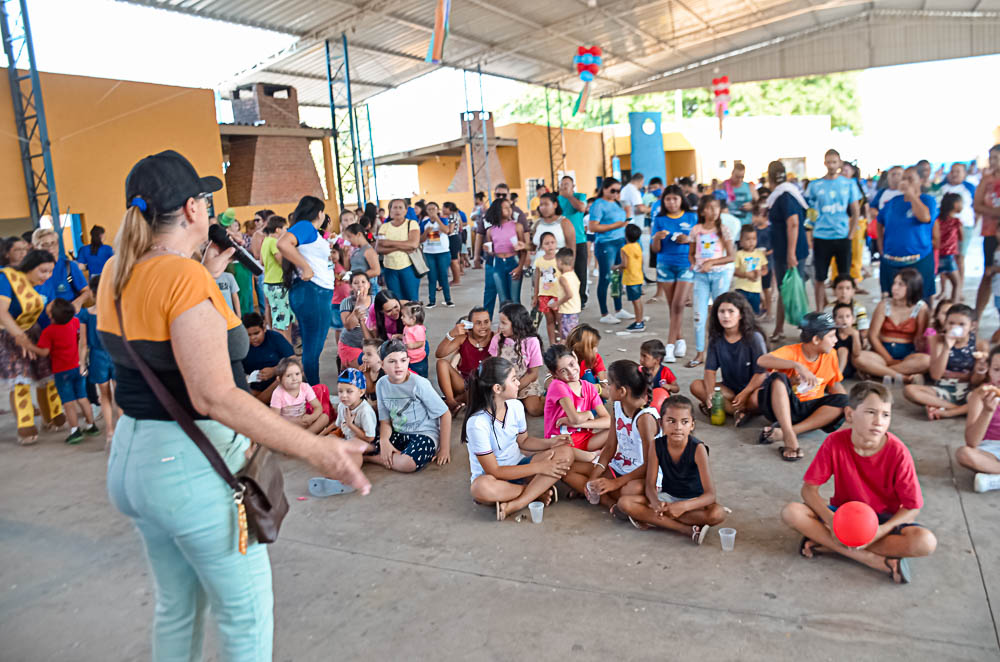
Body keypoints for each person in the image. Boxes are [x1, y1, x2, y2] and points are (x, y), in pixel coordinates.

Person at [101, 150, 368, 660]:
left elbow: (158, 341)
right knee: (244, 622)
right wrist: (317, 449)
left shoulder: (118, 268)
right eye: (204, 199)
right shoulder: (184, 281)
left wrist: (203, 270)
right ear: (192, 210)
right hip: (188, 468)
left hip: (134, 459)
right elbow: (213, 395)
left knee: (177, 609)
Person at [781, 382, 937, 584]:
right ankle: (874, 560)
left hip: (882, 522)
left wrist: (880, 531)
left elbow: (912, 507)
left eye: (885, 415)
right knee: (791, 512)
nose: (879, 421)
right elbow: (809, 490)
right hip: (843, 516)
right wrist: (831, 521)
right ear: (849, 414)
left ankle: (829, 545)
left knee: (925, 542)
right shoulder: (834, 442)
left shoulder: (898, 452)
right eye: (871, 412)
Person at [464, 356, 574, 521]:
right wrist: (540, 468)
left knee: (565, 453)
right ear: (497, 388)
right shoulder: (477, 423)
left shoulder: (515, 406)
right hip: (494, 478)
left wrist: (552, 442)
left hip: (519, 466)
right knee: (480, 489)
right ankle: (534, 492)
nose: (519, 383)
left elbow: (524, 441)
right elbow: (494, 471)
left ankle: (517, 502)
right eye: (514, 379)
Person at [616, 395, 726, 543]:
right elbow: (650, 484)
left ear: (692, 425)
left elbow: (710, 495)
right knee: (624, 503)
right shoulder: (656, 445)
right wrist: (655, 502)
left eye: (684, 422)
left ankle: (653, 518)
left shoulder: (698, 449)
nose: (678, 427)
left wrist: (683, 506)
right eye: (671, 421)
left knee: (717, 513)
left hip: (694, 502)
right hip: (667, 498)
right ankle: (686, 529)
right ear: (661, 423)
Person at [563, 360, 658, 511]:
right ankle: (610, 503)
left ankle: (607, 497)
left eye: (610, 383)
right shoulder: (618, 406)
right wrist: (595, 475)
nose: (606, 387)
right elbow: (610, 447)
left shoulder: (645, 418)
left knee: (629, 491)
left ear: (622, 391)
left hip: (641, 474)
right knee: (567, 470)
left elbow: (650, 464)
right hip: (618, 466)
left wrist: (616, 483)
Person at [757, 312, 849, 461]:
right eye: (831, 336)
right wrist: (797, 366)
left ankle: (788, 432)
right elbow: (762, 360)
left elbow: (834, 384)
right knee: (778, 378)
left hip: (812, 411)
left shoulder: (831, 354)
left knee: (845, 400)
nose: (836, 340)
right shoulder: (792, 352)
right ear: (816, 339)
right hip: (785, 408)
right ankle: (789, 436)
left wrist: (847, 407)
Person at [0, 248, 66, 443]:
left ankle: (52, 416)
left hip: (34, 331)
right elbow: (2, 312)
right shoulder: (7, 278)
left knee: (46, 375)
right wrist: (20, 338)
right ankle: (26, 424)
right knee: (21, 380)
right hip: (10, 334)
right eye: (43, 271)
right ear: (30, 267)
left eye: (50, 271)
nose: (47, 276)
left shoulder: (42, 284)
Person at [277, 196, 335, 386]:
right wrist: (305, 267)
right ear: (319, 213)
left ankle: (310, 390)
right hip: (313, 293)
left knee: (312, 347)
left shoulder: (309, 231)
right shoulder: (306, 226)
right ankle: (314, 392)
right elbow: (283, 245)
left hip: (313, 292)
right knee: (312, 349)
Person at [690, 292, 768, 427]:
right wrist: (709, 394)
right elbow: (710, 370)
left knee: (756, 400)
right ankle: (737, 411)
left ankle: (732, 408)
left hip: (753, 389)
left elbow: (761, 373)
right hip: (730, 390)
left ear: (741, 314)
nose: (726, 316)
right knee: (696, 386)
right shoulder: (716, 338)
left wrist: (745, 393)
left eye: (731, 311)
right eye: (722, 311)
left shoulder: (754, 338)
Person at [373, 338, 452, 472]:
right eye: (392, 361)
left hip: (424, 434)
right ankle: (388, 455)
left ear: (408, 361)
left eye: (403, 360)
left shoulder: (419, 383)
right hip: (398, 432)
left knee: (408, 464)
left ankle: (372, 458)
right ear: (382, 364)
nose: (398, 366)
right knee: (364, 443)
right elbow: (385, 421)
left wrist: (444, 449)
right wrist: (385, 441)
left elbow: (445, 414)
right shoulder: (381, 384)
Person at [31, 297, 100, 443]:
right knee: (82, 398)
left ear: (51, 317)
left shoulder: (49, 331)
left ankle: (75, 431)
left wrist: (28, 345)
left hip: (62, 372)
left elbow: (44, 352)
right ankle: (91, 425)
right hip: (79, 366)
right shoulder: (75, 322)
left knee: (68, 402)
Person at [902, 304, 988, 420]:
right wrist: (947, 347)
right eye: (951, 323)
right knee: (909, 390)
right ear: (945, 323)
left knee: (985, 394)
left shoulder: (979, 344)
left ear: (972, 326)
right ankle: (958, 409)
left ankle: (948, 411)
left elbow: (974, 380)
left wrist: (979, 369)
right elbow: (936, 375)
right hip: (943, 390)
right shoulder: (937, 340)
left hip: (968, 390)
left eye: (962, 324)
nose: (955, 327)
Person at [805, 149, 861, 310]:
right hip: (821, 236)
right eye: (828, 162)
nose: (831, 165)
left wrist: (850, 234)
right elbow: (810, 213)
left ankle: (846, 309)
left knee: (845, 277)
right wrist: (809, 234)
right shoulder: (815, 185)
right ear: (824, 163)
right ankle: (820, 311)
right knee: (820, 277)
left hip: (842, 236)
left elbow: (855, 210)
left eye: (834, 162)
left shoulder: (848, 184)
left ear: (840, 163)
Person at [853, 269, 931, 383]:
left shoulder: (921, 308)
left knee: (926, 361)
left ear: (913, 287)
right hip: (882, 353)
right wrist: (888, 359)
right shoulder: (884, 305)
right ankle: (903, 377)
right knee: (858, 358)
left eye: (901, 285)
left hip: (907, 355)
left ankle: (878, 374)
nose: (894, 287)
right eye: (894, 283)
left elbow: (919, 339)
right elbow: (872, 336)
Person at [687, 195, 735, 369]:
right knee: (699, 315)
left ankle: (724, 352)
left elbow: (731, 256)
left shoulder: (723, 229)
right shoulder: (696, 230)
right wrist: (694, 263)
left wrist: (712, 262)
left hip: (719, 276)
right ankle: (700, 352)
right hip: (701, 276)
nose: (713, 211)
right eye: (709, 207)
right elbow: (691, 253)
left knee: (722, 314)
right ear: (702, 210)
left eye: (716, 207)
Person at [649, 184, 696, 362]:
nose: (671, 202)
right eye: (668, 199)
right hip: (665, 265)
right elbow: (655, 249)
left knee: (678, 304)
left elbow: (699, 241)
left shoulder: (692, 216)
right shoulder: (659, 220)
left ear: (681, 199)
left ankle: (668, 346)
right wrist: (657, 238)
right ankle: (680, 340)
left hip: (686, 264)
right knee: (672, 306)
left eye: (675, 198)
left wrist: (688, 240)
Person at [877, 166, 937, 302]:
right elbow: (879, 221)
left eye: (910, 179)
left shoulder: (928, 200)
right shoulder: (892, 202)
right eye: (903, 178)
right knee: (892, 301)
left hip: (919, 260)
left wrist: (912, 196)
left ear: (920, 181)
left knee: (921, 301)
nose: (905, 182)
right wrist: (880, 245)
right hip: (891, 261)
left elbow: (925, 217)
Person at [765, 161, 810, 342]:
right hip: (783, 251)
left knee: (794, 292)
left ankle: (806, 329)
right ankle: (779, 328)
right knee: (786, 291)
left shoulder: (785, 195)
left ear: (769, 178)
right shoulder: (784, 193)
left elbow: (793, 223)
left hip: (791, 253)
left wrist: (791, 254)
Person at [542, 344, 610, 451]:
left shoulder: (588, 387)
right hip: (562, 443)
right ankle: (593, 457)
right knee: (575, 458)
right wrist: (588, 414)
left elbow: (608, 421)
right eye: (563, 371)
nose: (571, 372)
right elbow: (575, 418)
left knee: (615, 431)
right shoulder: (557, 386)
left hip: (585, 440)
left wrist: (580, 424)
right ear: (554, 374)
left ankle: (594, 457)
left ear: (575, 356)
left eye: (572, 364)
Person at [78, 274, 117, 446]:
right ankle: (123, 430)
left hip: (97, 358)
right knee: (120, 395)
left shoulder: (86, 314)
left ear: (93, 293)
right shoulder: (117, 310)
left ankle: (109, 431)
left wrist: (81, 363)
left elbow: (84, 343)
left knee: (105, 397)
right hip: (117, 355)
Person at [488, 303, 545, 416]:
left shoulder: (532, 342)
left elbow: (533, 374)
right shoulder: (497, 339)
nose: (500, 326)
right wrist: (504, 389)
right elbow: (493, 368)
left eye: (504, 323)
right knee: (493, 410)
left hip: (525, 383)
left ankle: (550, 397)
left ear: (516, 324)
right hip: (502, 385)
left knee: (534, 410)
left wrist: (515, 387)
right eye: (500, 322)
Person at [435, 306, 493, 414]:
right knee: (441, 363)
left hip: (485, 388)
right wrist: (451, 334)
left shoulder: (495, 338)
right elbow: (439, 354)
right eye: (478, 323)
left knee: (480, 390)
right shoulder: (463, 338)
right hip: (464, 383)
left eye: (486, 322)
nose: (483, 326)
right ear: (470, 324)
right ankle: (452, 402)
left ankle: (457, 401)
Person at [957, 348, 1000, 493]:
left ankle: (993, 480)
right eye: (997, 369)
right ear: (989, 370)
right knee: (964, 453)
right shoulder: (980, 395)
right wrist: (987, 412)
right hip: (988, 450)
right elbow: (972, 442)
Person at [589, 177, 631, 325]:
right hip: (606, 244)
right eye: (612, 190)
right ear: (604, 188)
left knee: (616, 277)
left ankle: (618, 309)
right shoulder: (598, 204)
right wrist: (616, 225)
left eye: (618, 191)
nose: (615, 193)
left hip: (620, 242)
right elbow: (593, 227)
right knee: (605, 278)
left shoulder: (617, 203)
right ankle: (604, 312)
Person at [483, 196, 527, 314]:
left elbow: (523, 250)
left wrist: (520, 267)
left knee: (515, 299)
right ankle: (506, 328)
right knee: (503, 300)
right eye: (505, 208)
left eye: (509, 207)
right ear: (498, 210)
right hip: (497, 264)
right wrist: (488, 250)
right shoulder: (491, 230)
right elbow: (492, 251)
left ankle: (518, 328)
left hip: (513, 261)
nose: (509, 210)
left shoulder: (517, 226)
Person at [32, 227, 91, 313]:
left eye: (53, 243)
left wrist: (77, 302)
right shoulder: (31, 270)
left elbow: (86, 291)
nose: (50, 248)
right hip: (42, 322)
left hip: (67, 320)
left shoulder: (68, 266)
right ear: (35, 247)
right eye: (45, 244)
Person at [242, 312, 294, 403]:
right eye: (248, 335)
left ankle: (259, 403)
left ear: (264, 328)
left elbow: (294, 360)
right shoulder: (241, 344)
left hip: (277, 382)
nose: (253, 338)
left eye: (256, 333)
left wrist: (275, 370)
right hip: (255, 386)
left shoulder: (275, 337)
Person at [375, 199, 421, 303]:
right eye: (394, 207)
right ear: (390, 210)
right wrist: (403, 246)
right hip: (389, 269)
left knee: (412, 300)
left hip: (408, 267)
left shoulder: (411, 224)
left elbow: (413, 244)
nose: (397, 210)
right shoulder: (384, 226)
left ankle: (414, 319)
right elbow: (379, 248)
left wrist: (388, 243)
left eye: (400, 207)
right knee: (396, 301)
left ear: (405, 210)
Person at [269, 356, 330, 434]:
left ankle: (305, 436)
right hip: (286, 426)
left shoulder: (305, 387)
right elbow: (275, 418)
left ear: (302, 374)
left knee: (324, 418)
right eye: (288, 375)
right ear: (279, 380)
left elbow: (318, 407)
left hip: (304, 422)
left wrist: (311, 417)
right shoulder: (278, 393)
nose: (294, 378)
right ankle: (304, 437)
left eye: (297, 374)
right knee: (273, 430)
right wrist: (293, 422)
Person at [974, 146, 1000, 318]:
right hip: (991, 232)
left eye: (996, 157)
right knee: (988, 273)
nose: (992, 161)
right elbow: (977, 205)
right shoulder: (986, 181)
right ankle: (977, 315)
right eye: (991, 157)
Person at [323, 368, 377, 446]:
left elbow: (370, 438)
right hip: (347, 436)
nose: (343, 396)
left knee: (346, 447)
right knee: (326, 440)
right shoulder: (342, 405)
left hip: (363, 441)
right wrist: (320, 435)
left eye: (349, 391)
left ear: (361, 392)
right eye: (340, 391)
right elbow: (337, 424)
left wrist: (350, 425)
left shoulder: (365, 411)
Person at [557, 176, 590, 306]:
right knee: (564, 270)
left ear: (573, 186)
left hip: (579, 240)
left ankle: (581, 300)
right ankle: (567, 297)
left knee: (580, 271)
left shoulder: (579, 196)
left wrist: (570, 196)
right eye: (562, 184)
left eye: (567, 184)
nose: (564, 186)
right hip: (562, 241)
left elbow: (581, 208)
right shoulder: (557, 200)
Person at [259, 215, 292, 340]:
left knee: (283, 318)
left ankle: (288, 346)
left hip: (269, 282)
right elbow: (281, 261)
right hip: (277, 284)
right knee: (281, 319)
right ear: (278, 230)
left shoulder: (265, 241)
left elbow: (262, 262)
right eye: (285, 228)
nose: (286, 231)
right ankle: (284, 350)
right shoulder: (274, 242)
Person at [419, 202, 454, 308]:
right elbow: (421, 239)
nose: (431, 211)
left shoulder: (443, 219)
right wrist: (426, 232)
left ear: (438, 210)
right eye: (429, 209)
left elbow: (447, 230)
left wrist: (437, 219)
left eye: (433, 209)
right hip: (429, 253)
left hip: (443, 252)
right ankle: (432, 301)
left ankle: (448, 299)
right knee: (432, 277)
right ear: (426, 211)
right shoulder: (424, 222)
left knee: (443, 276)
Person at [337, 271, 373, 368]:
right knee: (365, 368)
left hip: (371, 345)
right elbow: (349, 326)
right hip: (350, 345)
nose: (360, 286)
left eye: (363, 282)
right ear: (351, 286)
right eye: (356, 283)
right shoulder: (347, 302)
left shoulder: (375, 300)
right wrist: (358, 304)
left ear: (369, 284)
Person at [532, 232, 562, 345]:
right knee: (549, 320)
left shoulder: (560, 259)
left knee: (560, 320)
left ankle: (561, 343)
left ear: (556, 244)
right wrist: (535, 296)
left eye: (552, 242)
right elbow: (537, 279)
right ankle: (552, 343)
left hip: (558, 295)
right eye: (546, 243)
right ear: (541, 246)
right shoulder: (539, 261)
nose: (550, 245)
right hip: (544, 295)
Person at [731, 225, 768, 315]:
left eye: (754, 239)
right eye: (748, 239)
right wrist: (746, 275)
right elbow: (734, 271)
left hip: (756, 290)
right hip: (741, 289)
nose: (751, 242)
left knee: (754, 313)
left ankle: (752, 328)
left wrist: (759, 273)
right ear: (741, 241)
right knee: (741, 313)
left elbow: (765, 269)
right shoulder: (739, 254)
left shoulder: (759, 254)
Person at [934, 193, 964, 303]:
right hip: (949, 256)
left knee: (931, 284)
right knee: (956, 283)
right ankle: (954, 306)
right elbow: (962, 237)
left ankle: (930, 308)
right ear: (956, 205)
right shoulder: (956, 222)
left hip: (936, 255)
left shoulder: (937, 220)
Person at [615, 224, 645, 331]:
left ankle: (638, 322)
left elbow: (624, 265)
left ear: (626, 236)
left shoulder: (625, 249)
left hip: (631, 279)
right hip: (638, 277)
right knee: (638, 300)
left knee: (635, 301)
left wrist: (615, 267)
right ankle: (640, 319)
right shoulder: (637, 246)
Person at [824, 275, 869, 344]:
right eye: (840, 288)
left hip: (854, 342)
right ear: (834, 290)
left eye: (848, 288)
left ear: (853, 291)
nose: (844, 292)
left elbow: (863, 331)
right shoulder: (828, 309)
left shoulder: (859, 309)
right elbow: (825, 330)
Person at [638, 339, 678, 412]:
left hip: (662, 404)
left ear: (657, 360)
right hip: (644, 405)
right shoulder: (640, 371)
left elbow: (676, 388)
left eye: (644, 356)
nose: (641, 359)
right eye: (641, 355)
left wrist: (669, 387)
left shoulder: (665, 372)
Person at [565, 323, 607, 387]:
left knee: (588, 376)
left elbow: (604, 384)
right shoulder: (563, 361)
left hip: (591, 393)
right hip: (570, 393)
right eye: (593, 347)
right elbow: (548, 383)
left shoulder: (595, 358)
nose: (596, 350)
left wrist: (598, 388)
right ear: (579, 348)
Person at [344, 222, 380, 295]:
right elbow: (348, 269)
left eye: (350, 236)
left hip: (368, 288)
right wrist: (345, 255)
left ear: (359, 234)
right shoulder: (356, 250)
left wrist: (357, 277)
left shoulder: (369, 250)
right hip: (357, 287)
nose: (348, 240)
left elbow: (376, 271)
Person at [553, 247, 581, 340]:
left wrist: (557, 303)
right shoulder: (573, 274)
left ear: (560, 262)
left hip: (567, 311)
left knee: (566, 337)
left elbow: (569, 294)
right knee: (572, 334)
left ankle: (567, 352)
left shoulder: (563, 278)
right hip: (575, 309)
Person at [832, 302, 862, 380]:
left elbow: (857, 354)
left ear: (853, 319)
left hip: (850, 367)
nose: (844, 320)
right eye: (840, 317)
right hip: (835, 365)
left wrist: (855, 336)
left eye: (848, 316)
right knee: (843, 350)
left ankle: (837, 377)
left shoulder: (856, 333)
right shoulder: (832, 333)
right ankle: (837, 377)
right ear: (835, 320)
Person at [401, 301, 428, 377]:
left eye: (403, 316)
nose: (401, 317)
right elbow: (406, 336)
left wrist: (410, 346)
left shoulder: (418, 329)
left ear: (413, 319)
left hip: (418, 360)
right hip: (410, 358)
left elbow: (421, 342)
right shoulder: (407, 327)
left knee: (420, 375)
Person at [442, 202, 466, 285]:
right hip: (457, 236)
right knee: (455, 259)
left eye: (444, 208)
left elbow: (450, 230)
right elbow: (461, 226)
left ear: (449, 208)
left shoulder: (452, 215)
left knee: (453, 260)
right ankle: (456, 278)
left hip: (453, 238)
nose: (442, 209)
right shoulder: (457, 214)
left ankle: (456, 280)